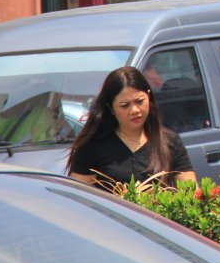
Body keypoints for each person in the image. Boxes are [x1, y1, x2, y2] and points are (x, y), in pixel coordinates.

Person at [67, 66, 196, 190]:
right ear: (111, 108)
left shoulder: (169, 141)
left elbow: (191, 194)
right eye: (124, 105)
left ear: (149, 96)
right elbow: (80, 200)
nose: (134, 110)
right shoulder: (92, 146)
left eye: (139, 101)